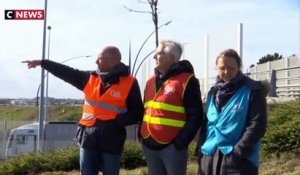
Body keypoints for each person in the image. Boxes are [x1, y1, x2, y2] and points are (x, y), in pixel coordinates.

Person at [22, 46, 144, 175]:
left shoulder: (130, 83)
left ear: (112, 61)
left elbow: (137, 113)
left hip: (112, 140)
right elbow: (65, 72)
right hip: (88, 139)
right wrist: (43, 63)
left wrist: (115, 123)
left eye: (100, 59)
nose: (96, 61)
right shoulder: (89, 78)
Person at [197, 49, 268, 175]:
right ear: (216, 68)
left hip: (238, 159)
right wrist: (200, 149)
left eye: (231, 68)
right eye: (222, 68)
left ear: (239, 67)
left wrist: (238, 152)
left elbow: (257, 125)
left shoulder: (253, 90)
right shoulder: (212, 93)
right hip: (209, 154)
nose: (226, 72)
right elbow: (206, 124)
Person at [139, 39, 204, 175]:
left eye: (158, 53)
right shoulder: (150, 80)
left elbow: (196, 116)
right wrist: (141, 135)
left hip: (172, 148)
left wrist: (180, 143)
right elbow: (145, 111)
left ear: (171, 57)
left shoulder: (187, 80)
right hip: (149, 145)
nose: (154, 57)